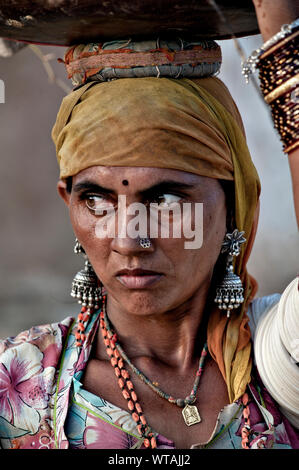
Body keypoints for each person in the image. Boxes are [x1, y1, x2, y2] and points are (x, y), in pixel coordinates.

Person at [0, 0, 298, 449]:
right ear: (69, 201)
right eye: (96, 200)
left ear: (235, 204)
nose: (129, 240)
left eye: (164, 198)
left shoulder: (276, 367)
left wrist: (283, 43)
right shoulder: (17, 390)